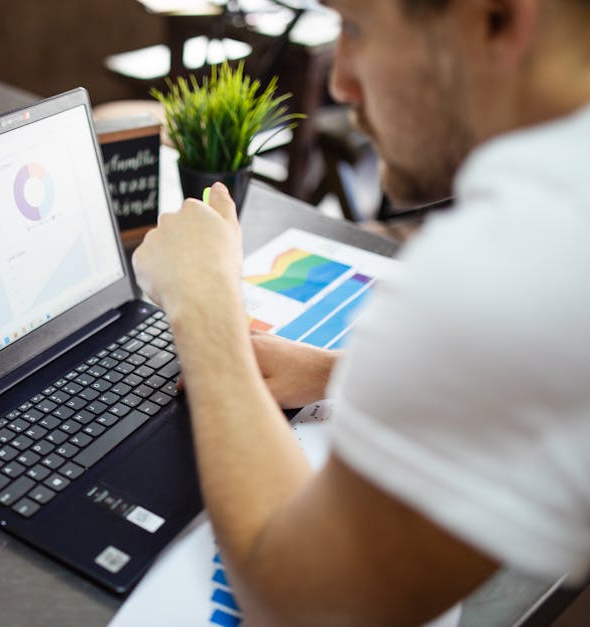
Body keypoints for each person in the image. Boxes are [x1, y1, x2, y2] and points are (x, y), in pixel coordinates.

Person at [131, 0, 590, 624]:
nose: (340, 83)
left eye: (355, 26)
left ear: (498, 18)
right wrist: (335, 373)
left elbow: (307, 600)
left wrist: (206, 305)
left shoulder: (519, 262)